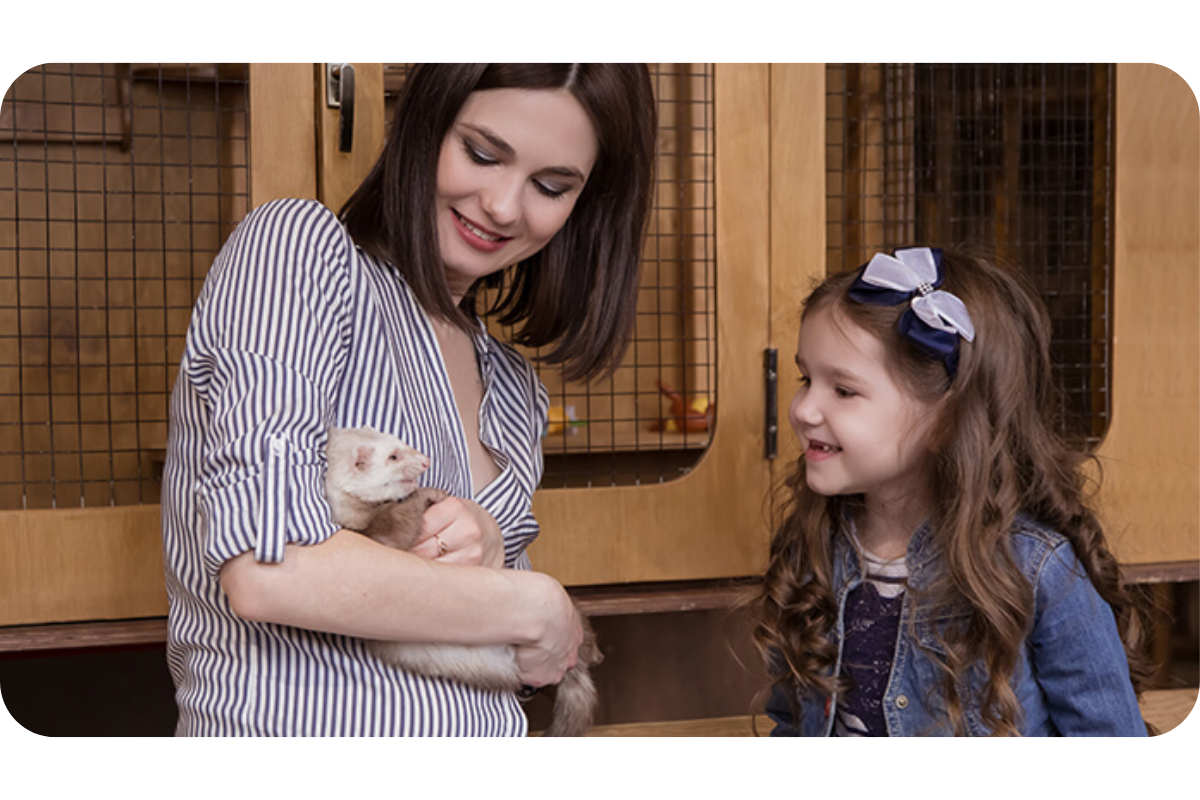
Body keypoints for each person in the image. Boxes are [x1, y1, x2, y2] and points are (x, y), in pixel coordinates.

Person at [162, 63, 657, 737]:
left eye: (550, 185)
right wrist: (536, 602)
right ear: (423, 124)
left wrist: (497, 564)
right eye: (482, 153)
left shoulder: (514, 393)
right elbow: (266, 569)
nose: (505, 206)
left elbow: (515, 657)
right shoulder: (300, 256)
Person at [753, 246, 1156, 738]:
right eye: (805, 378)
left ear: (944, 421)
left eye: (843, 390)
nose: (802, 409)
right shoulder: (812, 545)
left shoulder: (1037, 570)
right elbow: (790, 720)